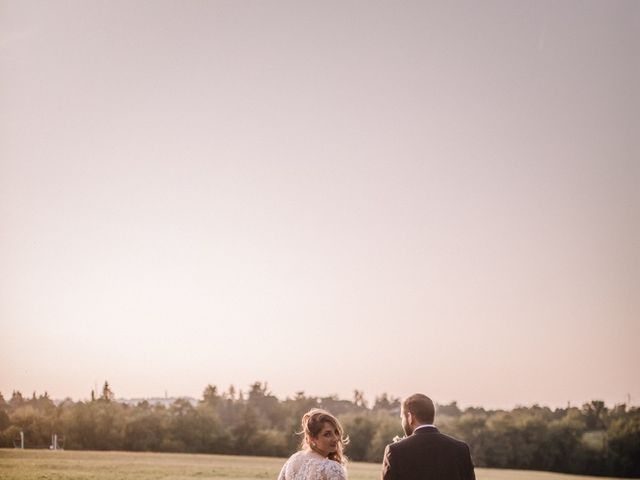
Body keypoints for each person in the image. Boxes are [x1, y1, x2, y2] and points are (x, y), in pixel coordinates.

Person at [381, 393, 475, 480]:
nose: (402, 422)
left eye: (402, 417)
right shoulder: (461, 449)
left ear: (410, 417)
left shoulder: (395, 451)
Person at [278, 408, 348, 480]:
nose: (335, 438)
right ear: (312, 438)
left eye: (336, 432)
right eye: (327, 434)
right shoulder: (332, 469)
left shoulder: (293, 459)